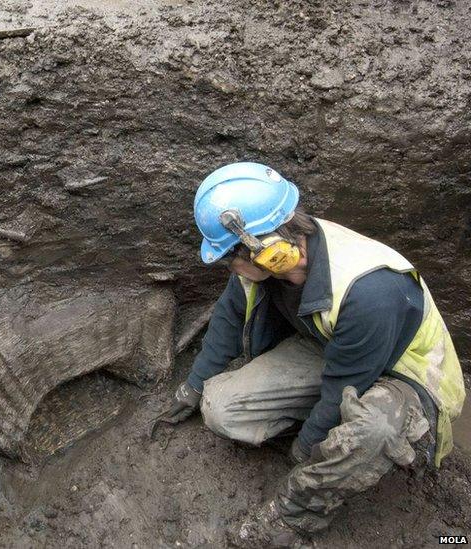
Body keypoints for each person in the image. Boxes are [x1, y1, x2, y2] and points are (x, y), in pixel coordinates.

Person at [155, 162, 465, 546]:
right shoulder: (270, 257)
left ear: (264, 249)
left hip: (403, 375)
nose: (227, 267)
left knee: (372, 431)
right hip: (330, 347)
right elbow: (228, 321)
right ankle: (322, 440)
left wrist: (305, 452)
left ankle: (292, 518)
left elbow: (344, 386)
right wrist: (192, 389)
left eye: (227, 257)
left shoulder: (368, 289)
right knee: (221, 408)